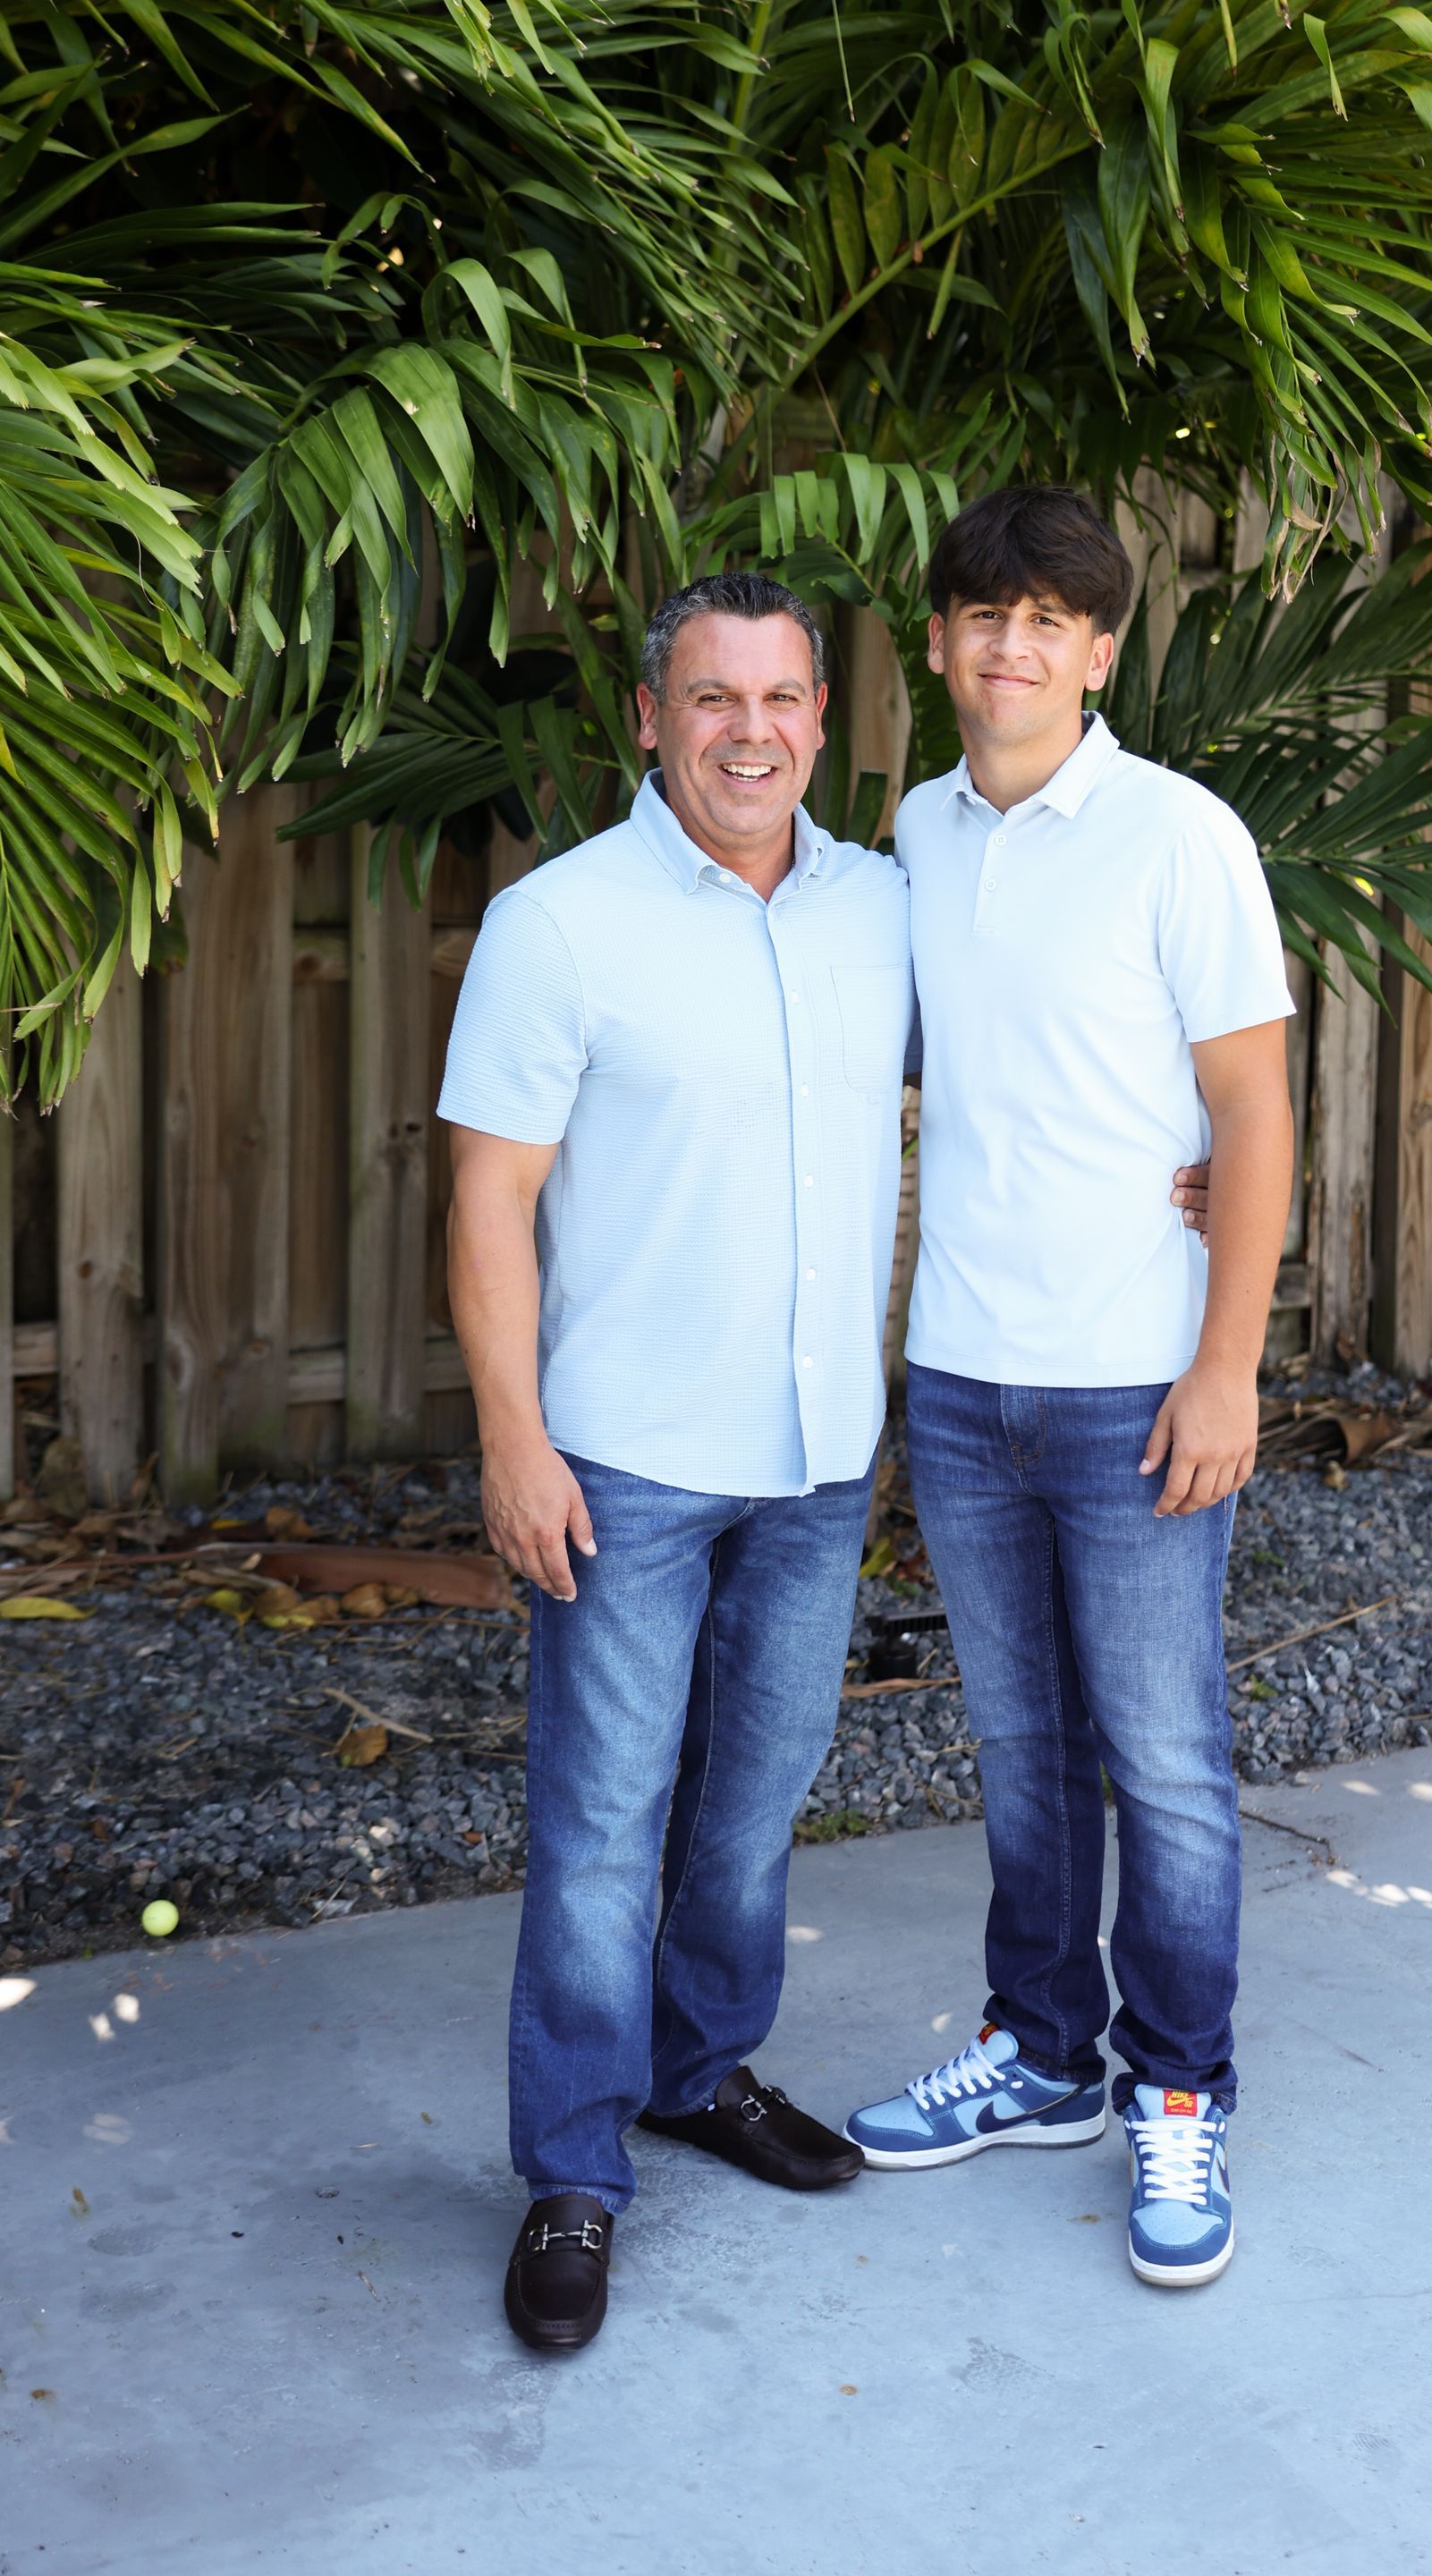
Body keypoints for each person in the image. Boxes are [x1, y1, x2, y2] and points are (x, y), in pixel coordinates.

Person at [439, 571, 915, 2351]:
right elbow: (488, 1199)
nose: (749, 732)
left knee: (753, 1805)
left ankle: (700, 2072)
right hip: (624, 1462)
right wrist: (513, 1440)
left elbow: (1033, 1064)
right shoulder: (560, 925)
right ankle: (573, 2171)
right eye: (712, 699)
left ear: (821, 720)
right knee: (598, 1832)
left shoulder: (880, 910)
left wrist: (1187, 1161)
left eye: (781, 699)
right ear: (650, 719)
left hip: (817, 1458)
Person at [844, 487, 1296, 2292]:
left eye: (1050, 619)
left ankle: (1177, 2092)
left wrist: (1226, 1365)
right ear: (940, 643)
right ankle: (1040, 2053)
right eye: (984, 615)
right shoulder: (916, 831)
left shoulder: (1181, 836)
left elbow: (1252, 1108)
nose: (1012, 646)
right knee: (1024, 1751)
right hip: (965, 1377)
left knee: (1165, 1764)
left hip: (1135, 1387)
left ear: (1099, 653)